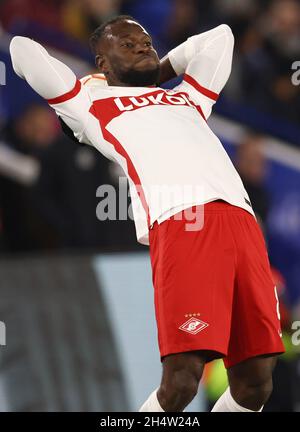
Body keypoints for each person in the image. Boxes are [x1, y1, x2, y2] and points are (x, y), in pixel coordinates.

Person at [10, 15, 285, 412]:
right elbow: (22, 49)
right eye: (127, 44)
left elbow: (220, 37)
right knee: (182, 381)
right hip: (184, 223)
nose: (142, 46)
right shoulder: (89, 105)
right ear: (103, 63)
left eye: (146, 42)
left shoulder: (186, 99)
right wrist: (91, 81)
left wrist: (163, 68)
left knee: (256, 382)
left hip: (242, 222)